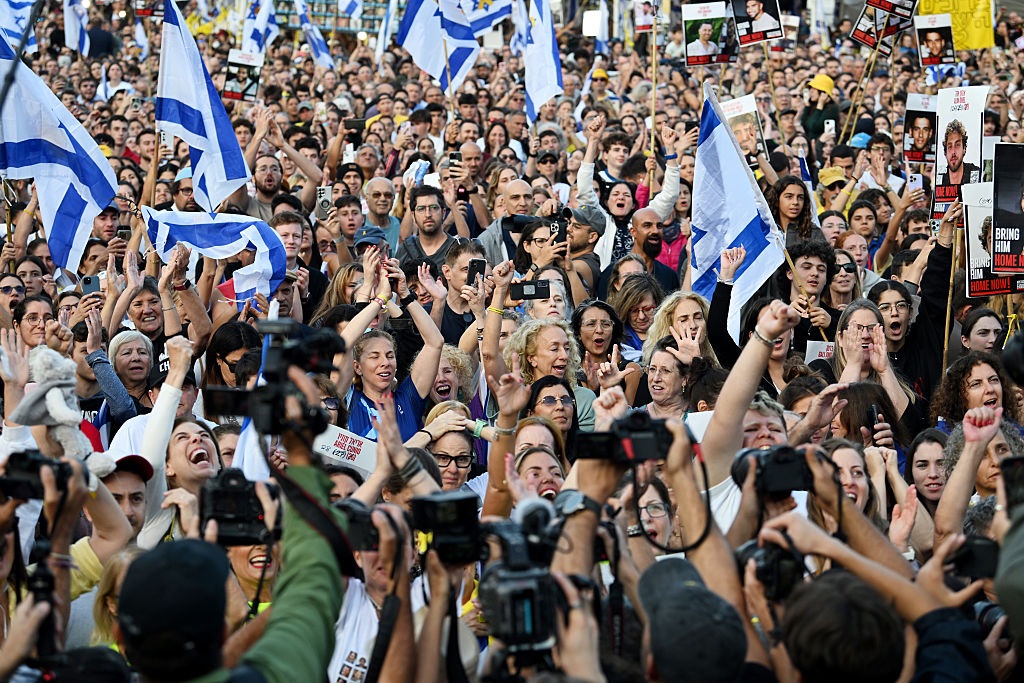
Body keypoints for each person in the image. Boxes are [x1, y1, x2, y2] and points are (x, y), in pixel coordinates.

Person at [938, 119, 982, 186]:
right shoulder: (939, 177)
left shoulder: (975, 173)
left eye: (957, 145)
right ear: (945, 152)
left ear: (964, 149)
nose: (953, 152)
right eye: (950, 146)